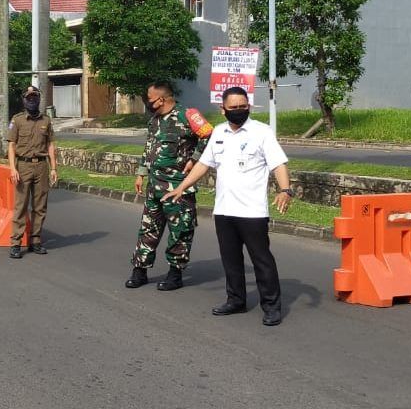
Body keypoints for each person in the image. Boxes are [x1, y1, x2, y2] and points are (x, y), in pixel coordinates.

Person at [163, 86, 292, 326]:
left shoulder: (261, 132)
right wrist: (181, 187)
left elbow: (279, 164)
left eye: (243, 107)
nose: (239, 111)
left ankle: (271, 306)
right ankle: (236, 300)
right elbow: (203, 164)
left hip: (252, 212)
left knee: (261, 260)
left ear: (249, 106)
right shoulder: (219, 133)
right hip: (224, 210)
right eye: (233, 108)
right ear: (223, 110)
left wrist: (285, 190)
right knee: (230, 259)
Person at [125, 80, 211, 292]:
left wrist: (195, 158)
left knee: (180, 231)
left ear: (162, 99)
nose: (148, 102)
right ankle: (140, 270)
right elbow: (149, 148)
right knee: (148, 229)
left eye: (150, 99)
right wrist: (141, 173)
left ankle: (175, 273)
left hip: (178, 188)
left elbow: (209, 135)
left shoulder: (187, 114)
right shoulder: (154, 119)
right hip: (155, 186)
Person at [6, 86, 59, 259]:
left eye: (34, 97)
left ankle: (35, 240)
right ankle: (16, 243)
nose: (32, 99)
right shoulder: (18, 120)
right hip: (23, 167)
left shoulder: (46, 120)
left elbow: (50, 144)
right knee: (21, 206)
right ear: (24, 99)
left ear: (39, 99)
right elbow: (11, 145)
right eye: (29, 97)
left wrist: (53, 168)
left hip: (41, 167)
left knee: (40, 206)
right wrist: (13, 168)